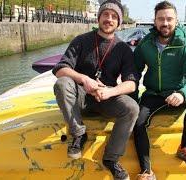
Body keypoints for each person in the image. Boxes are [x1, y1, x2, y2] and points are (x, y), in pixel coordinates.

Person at [52, 0, 138, 179]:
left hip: (105, 97)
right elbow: (60, 69)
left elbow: (131, 83)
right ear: (99, 18)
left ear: (119, 22)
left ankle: (111, 159)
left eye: (114, 16)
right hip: (81, 95)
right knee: (62, 84)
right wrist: (84, 80)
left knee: (131, 108)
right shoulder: (81, 41)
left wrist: (109, 91)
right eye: (105, 14)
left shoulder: (123, 49)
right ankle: (78, 134)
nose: (109, 19)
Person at [133, 1, 186, 179]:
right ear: (155, 21)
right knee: (138, 122)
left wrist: (182, 93)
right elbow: (133, 73)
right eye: (161, 19)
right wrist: (131, 100)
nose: (165, 23)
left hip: (175, 94)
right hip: (153, 95)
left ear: (176, 21)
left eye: (169, 19)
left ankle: (185, 147)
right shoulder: (145, 45)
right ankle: (146, 171)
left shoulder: (185, 45)